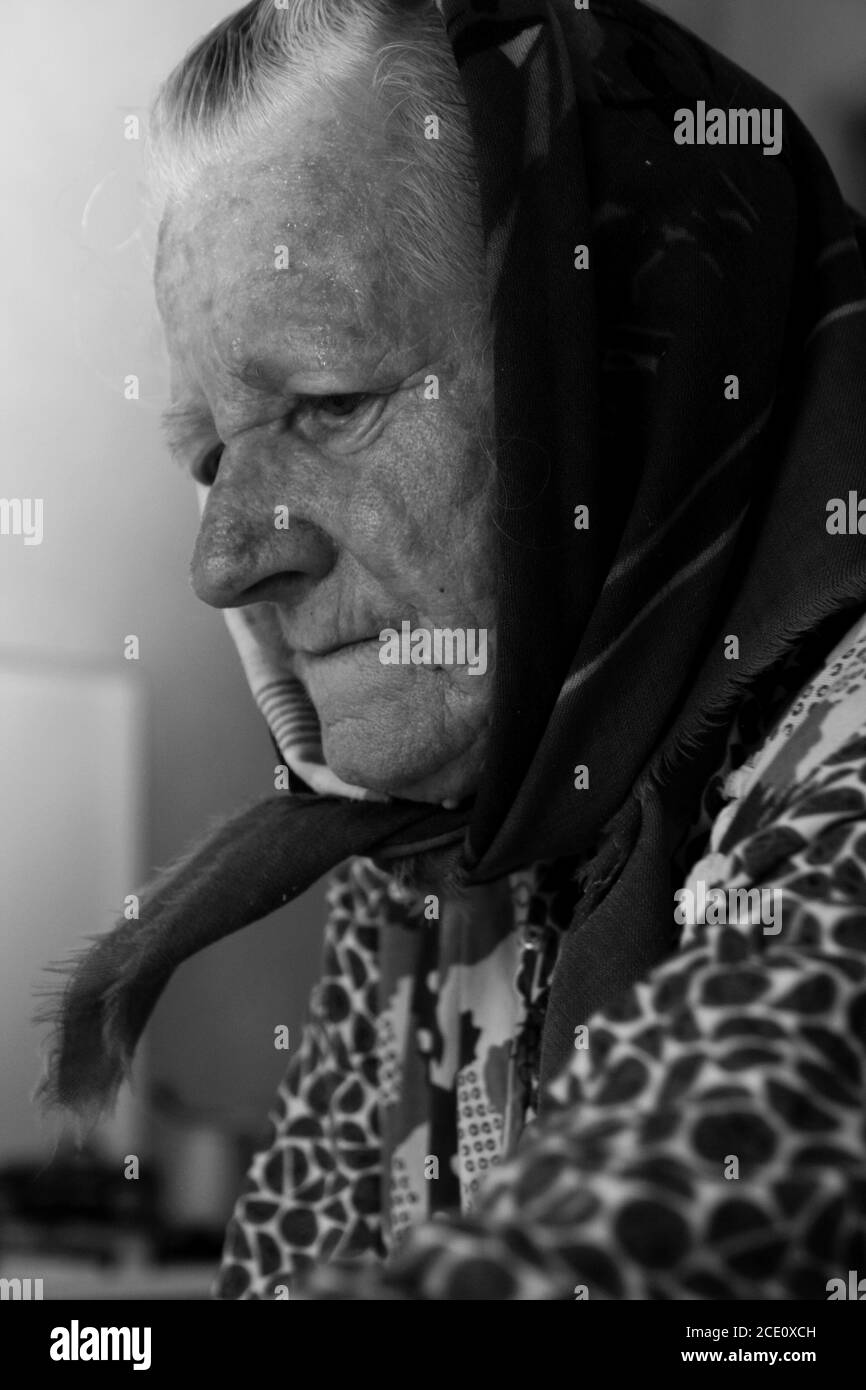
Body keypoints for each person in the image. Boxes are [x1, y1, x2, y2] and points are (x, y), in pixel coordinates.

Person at [40, 0, 866, 1299]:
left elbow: (709, 1177)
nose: (223, 562)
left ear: (625, 357)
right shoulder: (427, 851)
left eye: (328, 403)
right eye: (212, 455)